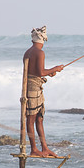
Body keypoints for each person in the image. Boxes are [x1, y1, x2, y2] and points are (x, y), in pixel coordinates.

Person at [23, 25, 65, 157]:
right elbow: (40, 71)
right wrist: (55, 69)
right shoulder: (40, 53)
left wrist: (49, 72)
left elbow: (36, 72)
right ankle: (34, 149)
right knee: (31, 119)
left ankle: (44, 148)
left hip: (33, 86)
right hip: (32, 88)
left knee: (39, 118)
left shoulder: (28, 52)